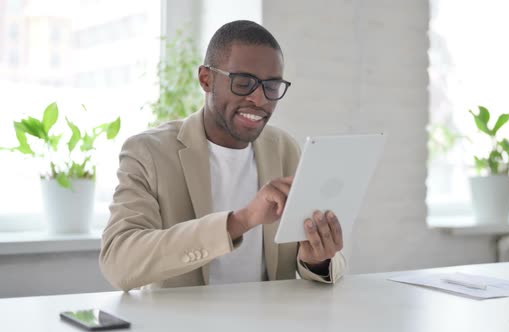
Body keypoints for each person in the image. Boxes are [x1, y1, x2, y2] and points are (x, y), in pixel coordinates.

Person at [99, 20, 346, 291]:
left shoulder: (284, 149)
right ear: (206, 79)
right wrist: (241, 220)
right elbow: (118, 262)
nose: (260, 100)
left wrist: (316, 261)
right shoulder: (149, 153)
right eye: (243, 83)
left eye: (271, 86)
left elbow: (326, 262)